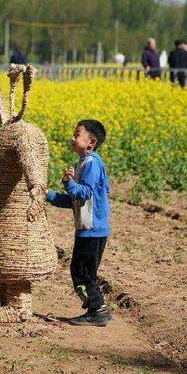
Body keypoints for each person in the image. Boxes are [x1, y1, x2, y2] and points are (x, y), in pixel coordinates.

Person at [46, 120, 112, 326]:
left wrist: (68, 182)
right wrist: (48, 195)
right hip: (87, 230)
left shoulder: (91, 163)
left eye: (77, 135)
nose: (72, 138)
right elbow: (74, 201)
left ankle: (98, 310)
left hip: (93, 230)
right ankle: (95, 308)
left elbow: (84, 193)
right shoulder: (83, 163)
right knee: (80, 270)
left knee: (83, 273)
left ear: (91, 142)